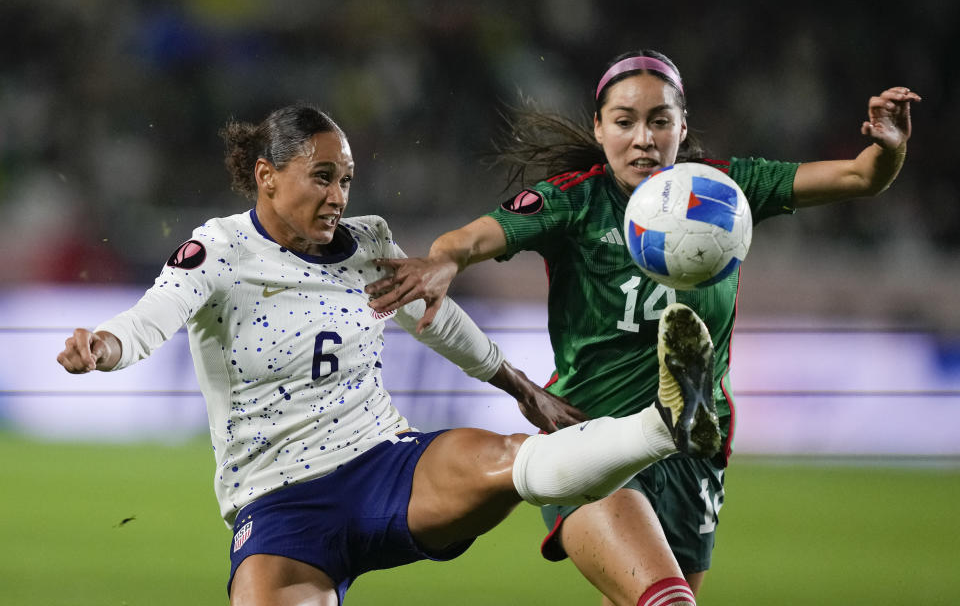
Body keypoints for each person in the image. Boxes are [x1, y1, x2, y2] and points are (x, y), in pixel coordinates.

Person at [56, 104, 724, 606]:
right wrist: (104, 347)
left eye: (345, 179)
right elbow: (150, 320)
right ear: (266, 175)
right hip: (280, 505)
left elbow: (436, 319)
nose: (338, 195)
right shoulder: (220, 250)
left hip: (385, 464)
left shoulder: (367, 242)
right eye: (322, 177)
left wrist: (521, 386)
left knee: (509, 459)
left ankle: (664, 425)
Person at [365, 50, 921, 606]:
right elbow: (469, 239)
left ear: (683, 125)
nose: (643, 138)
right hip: (590, 440)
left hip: (693, 448)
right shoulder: (575, 200)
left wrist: (888, 147)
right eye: (625, 121)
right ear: (599, 127)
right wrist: (442, 262)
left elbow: (860, 175)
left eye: (659, 120)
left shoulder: (726, 190)